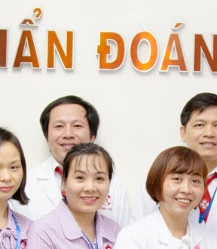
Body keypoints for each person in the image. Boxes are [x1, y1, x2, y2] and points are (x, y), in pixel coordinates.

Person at [132, 92, 217, 246]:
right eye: (199, 125)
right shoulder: (157, 181)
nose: (209, 133)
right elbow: (136, 237)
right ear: (183, 132)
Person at [12, 95, 131, 225]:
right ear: (46, 136)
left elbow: (123, 234)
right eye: (59, 126)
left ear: (92, 136)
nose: (68, 134)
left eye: (77, 126)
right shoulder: (23, 184)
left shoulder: (114, 186)